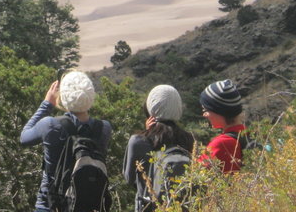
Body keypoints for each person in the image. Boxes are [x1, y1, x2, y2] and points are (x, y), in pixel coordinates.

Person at [20, 70, 113, 212]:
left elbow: (24, 137)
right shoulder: (104, 128)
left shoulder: (50, 125)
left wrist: (47, 104)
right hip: (88, 206)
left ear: (63, 96)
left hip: (50, 205)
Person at [123, 85, 195, 212]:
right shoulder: (188, 139)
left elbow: (129, 178)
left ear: (152, 107)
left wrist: (146, 132)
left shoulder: (138, 141)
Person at [197, 79, 245, 174]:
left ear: (220, 112)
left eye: (206, 110)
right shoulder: (249, 135)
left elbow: (195, 176)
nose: (204, 115)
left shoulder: (221, 144)